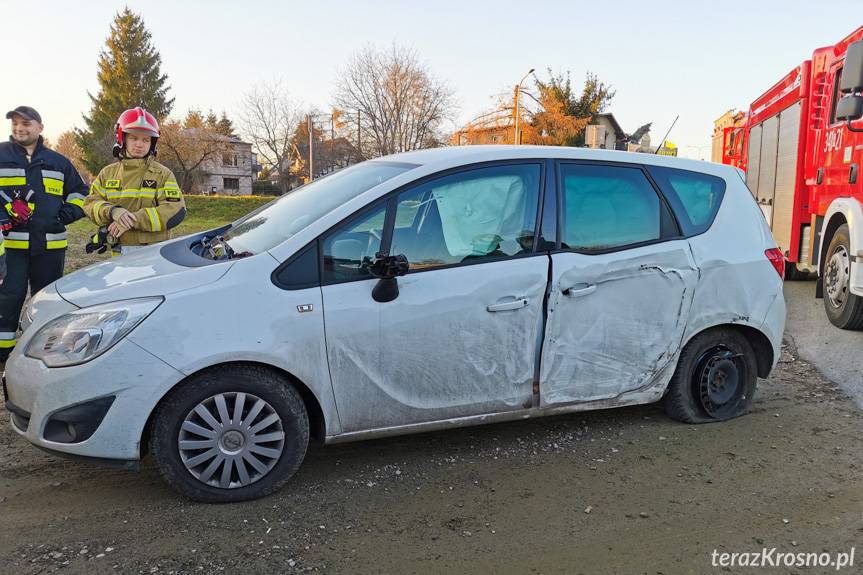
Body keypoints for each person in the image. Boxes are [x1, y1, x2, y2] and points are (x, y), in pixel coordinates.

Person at [0, 105, 88, 359]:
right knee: (7, 298)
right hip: (11, 247)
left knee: (49, 302)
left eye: (26, 123)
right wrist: (4, 213)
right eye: (15, 123)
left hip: (50, 247)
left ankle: (44, 351)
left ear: (40, 127)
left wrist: (64, 215)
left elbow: (81, 193)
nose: (19, 128)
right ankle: (3, 353)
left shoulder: (59, 162)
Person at [83, 107, 186, 255]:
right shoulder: (108, 173)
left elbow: (175, 210)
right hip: (119, 256)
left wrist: (131, 220)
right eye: (134, 138)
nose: (139, 144)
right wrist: (113, 211)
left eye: (146, 140)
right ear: (122, 138)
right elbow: (90, 204)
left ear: (153, 143)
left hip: (154, 256)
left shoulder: (163, 174)